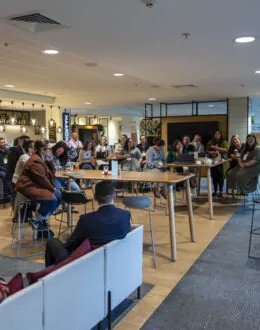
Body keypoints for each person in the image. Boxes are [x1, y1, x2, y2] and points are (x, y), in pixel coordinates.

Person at [45, 181, 131, 267]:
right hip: (117, 260)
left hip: (88, 262)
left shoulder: (86, 219)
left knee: (52, 242)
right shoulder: (125, 215)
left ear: (95, 198)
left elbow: (71, 244)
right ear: (115, 197)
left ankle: (51, 275)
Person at [16, 140, 62, 232]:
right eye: (49, 149)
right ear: (42, 150)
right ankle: (36, 219)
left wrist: (51, 161)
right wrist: (51, 188)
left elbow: (51, 174)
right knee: (52, 198)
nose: (51, 151)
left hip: (35, 185)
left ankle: (42, 218)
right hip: (27, 187)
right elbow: (41, 179)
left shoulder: (41, 159)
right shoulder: (36, 160)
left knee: (59, 195)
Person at [12, 140, 34, 222]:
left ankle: (24, 213)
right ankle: (26, 214)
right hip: (19, 183)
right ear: (30, 149)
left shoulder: (29, 157)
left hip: (23, 183)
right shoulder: (25, 157)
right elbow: (32, 170)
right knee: (39, 197)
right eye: (34, 148)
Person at [7, 135, 30, 207]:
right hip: (13, 177)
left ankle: (22, 213)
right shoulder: (14, 150)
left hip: (21, 177)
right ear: (20, 141)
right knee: (15, 195)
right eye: (26, 142)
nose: (28, 143)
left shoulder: (25, 151)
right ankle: (16, 215)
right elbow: (13, 166)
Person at [206, 130, 228, 197]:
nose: (217, 135)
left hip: (221, 162)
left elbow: (226, 150)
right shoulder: (210, 142)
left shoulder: (224, 142)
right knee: (214, 176)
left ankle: (221, 191)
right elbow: (206, 150)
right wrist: (211, 152)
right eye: (216, 134)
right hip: (212, 162)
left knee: (220, 177)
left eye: (218, 134)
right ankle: (215, 190)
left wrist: (216, 148)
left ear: (221, 135)